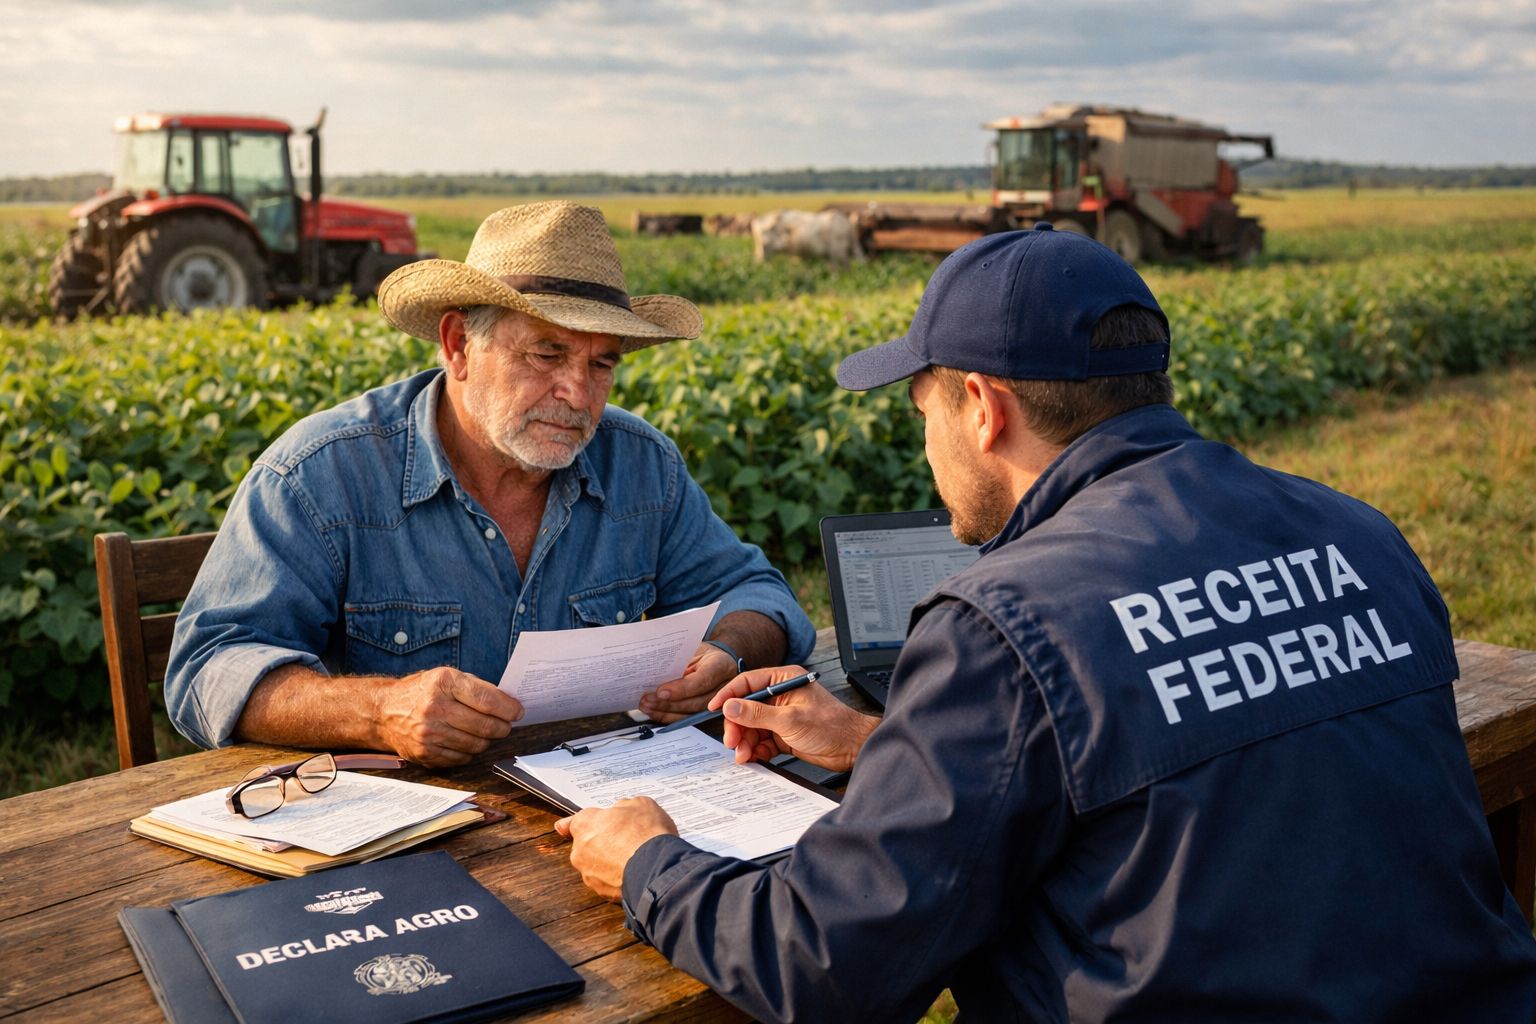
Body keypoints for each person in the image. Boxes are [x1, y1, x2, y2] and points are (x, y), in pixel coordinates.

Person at [555, 223, 1536, 1021]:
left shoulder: (1007, 621)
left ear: (980, 406)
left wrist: (646, 857)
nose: (926, 442)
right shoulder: (1357, 532)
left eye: (920, 408)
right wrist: (888, 741)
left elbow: (824, 963)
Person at [165, 201, 814, 767]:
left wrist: (726, 651)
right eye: (547, 354)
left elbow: (757, 593)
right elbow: (210, 667)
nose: (579, 394)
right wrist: (378, 710)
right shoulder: (321, 474)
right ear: (457, 345)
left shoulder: (640, 464)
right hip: (402, 838)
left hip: (595, 813)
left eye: (602, 363)